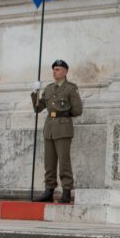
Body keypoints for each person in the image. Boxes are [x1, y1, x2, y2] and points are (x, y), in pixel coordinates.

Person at [31, 60, 82, 203]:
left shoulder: (71, 88)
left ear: (65, 72)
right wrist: (35, 92)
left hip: (63, 128)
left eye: (58, 69)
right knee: (49, 162)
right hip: (49, 129)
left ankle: (66, 191)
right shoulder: (48, 89)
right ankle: (49, 190)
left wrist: (63, 115)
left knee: (64, 162)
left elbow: (78, 110)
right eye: (54, 69)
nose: (55, 72)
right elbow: (38, 108)